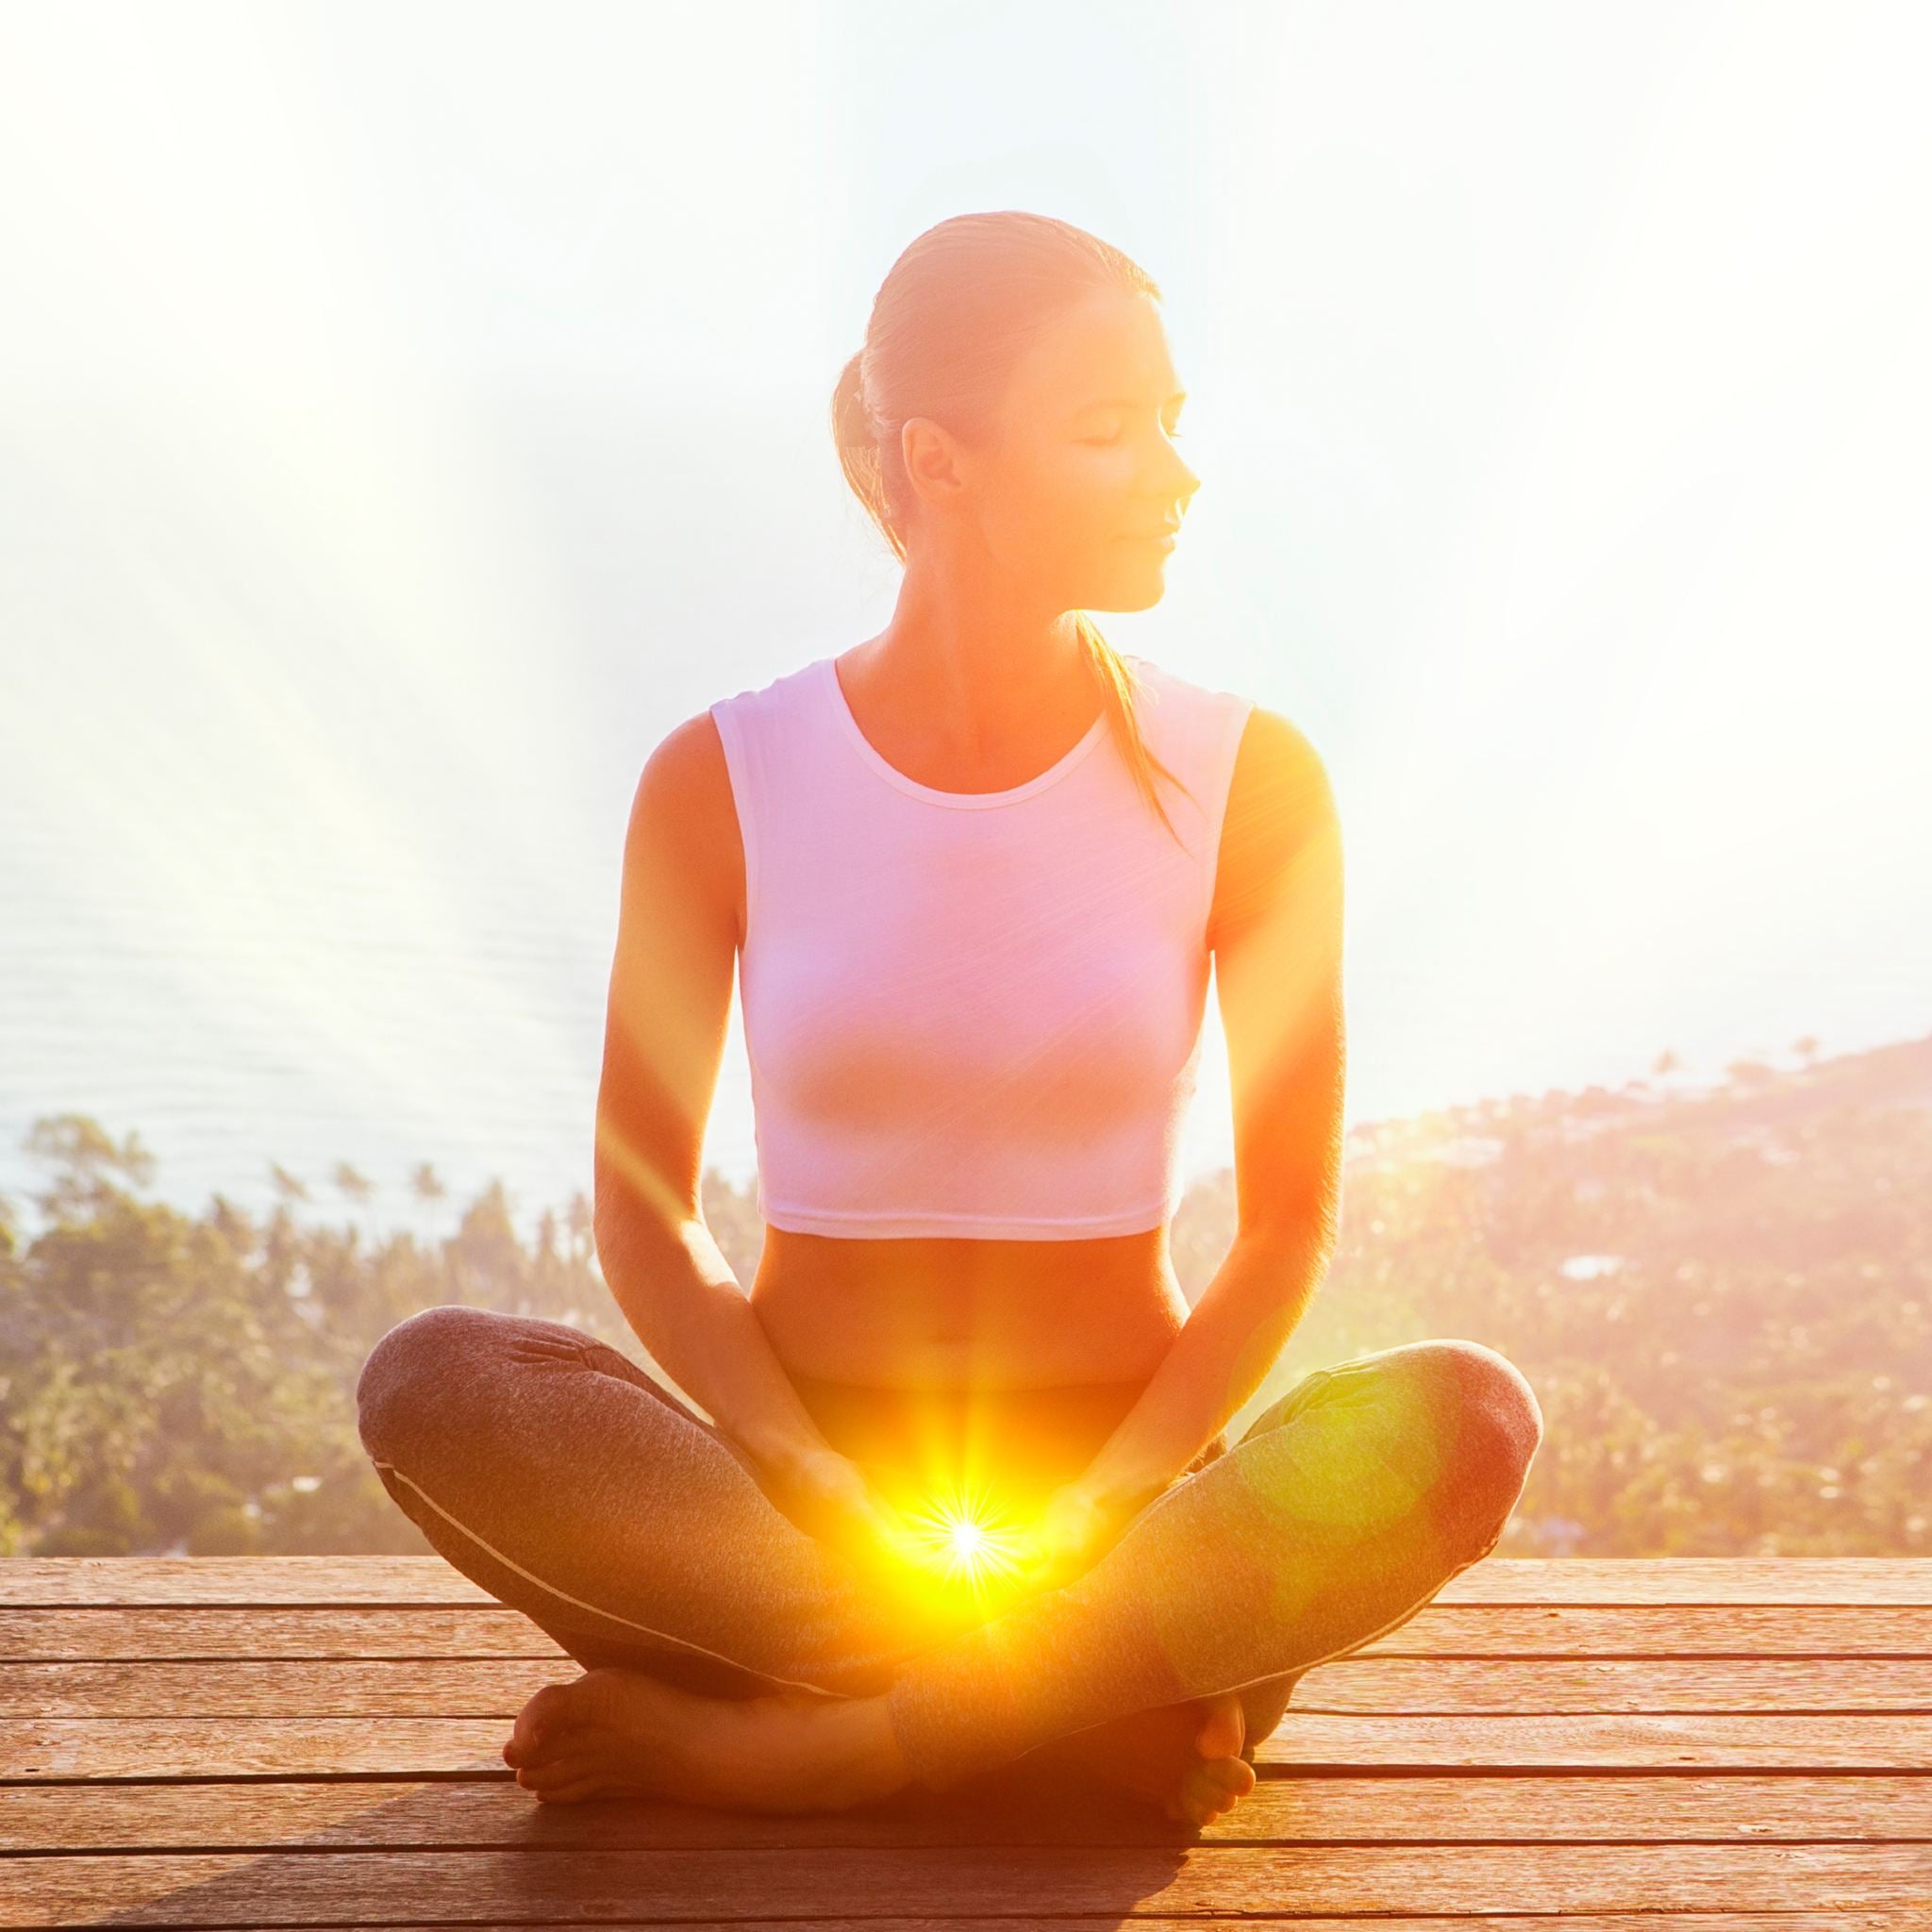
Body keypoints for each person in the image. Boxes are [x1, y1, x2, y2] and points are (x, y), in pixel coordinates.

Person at [355, 209, 1544, 1829]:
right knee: (435, 1381)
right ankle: (1075, 1722)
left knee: (1466, 1418)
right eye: (1111, 431)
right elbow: (639, 1203)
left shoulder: (1250, 783)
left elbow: (1285, 1230)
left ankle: (834, 1743)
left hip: (1126, 1528)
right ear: (944, 462)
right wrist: (806, 1474)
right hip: (802, 1524)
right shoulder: (724, 780)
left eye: (1174, 423)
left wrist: (1117, 1506)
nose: (1176, 473)